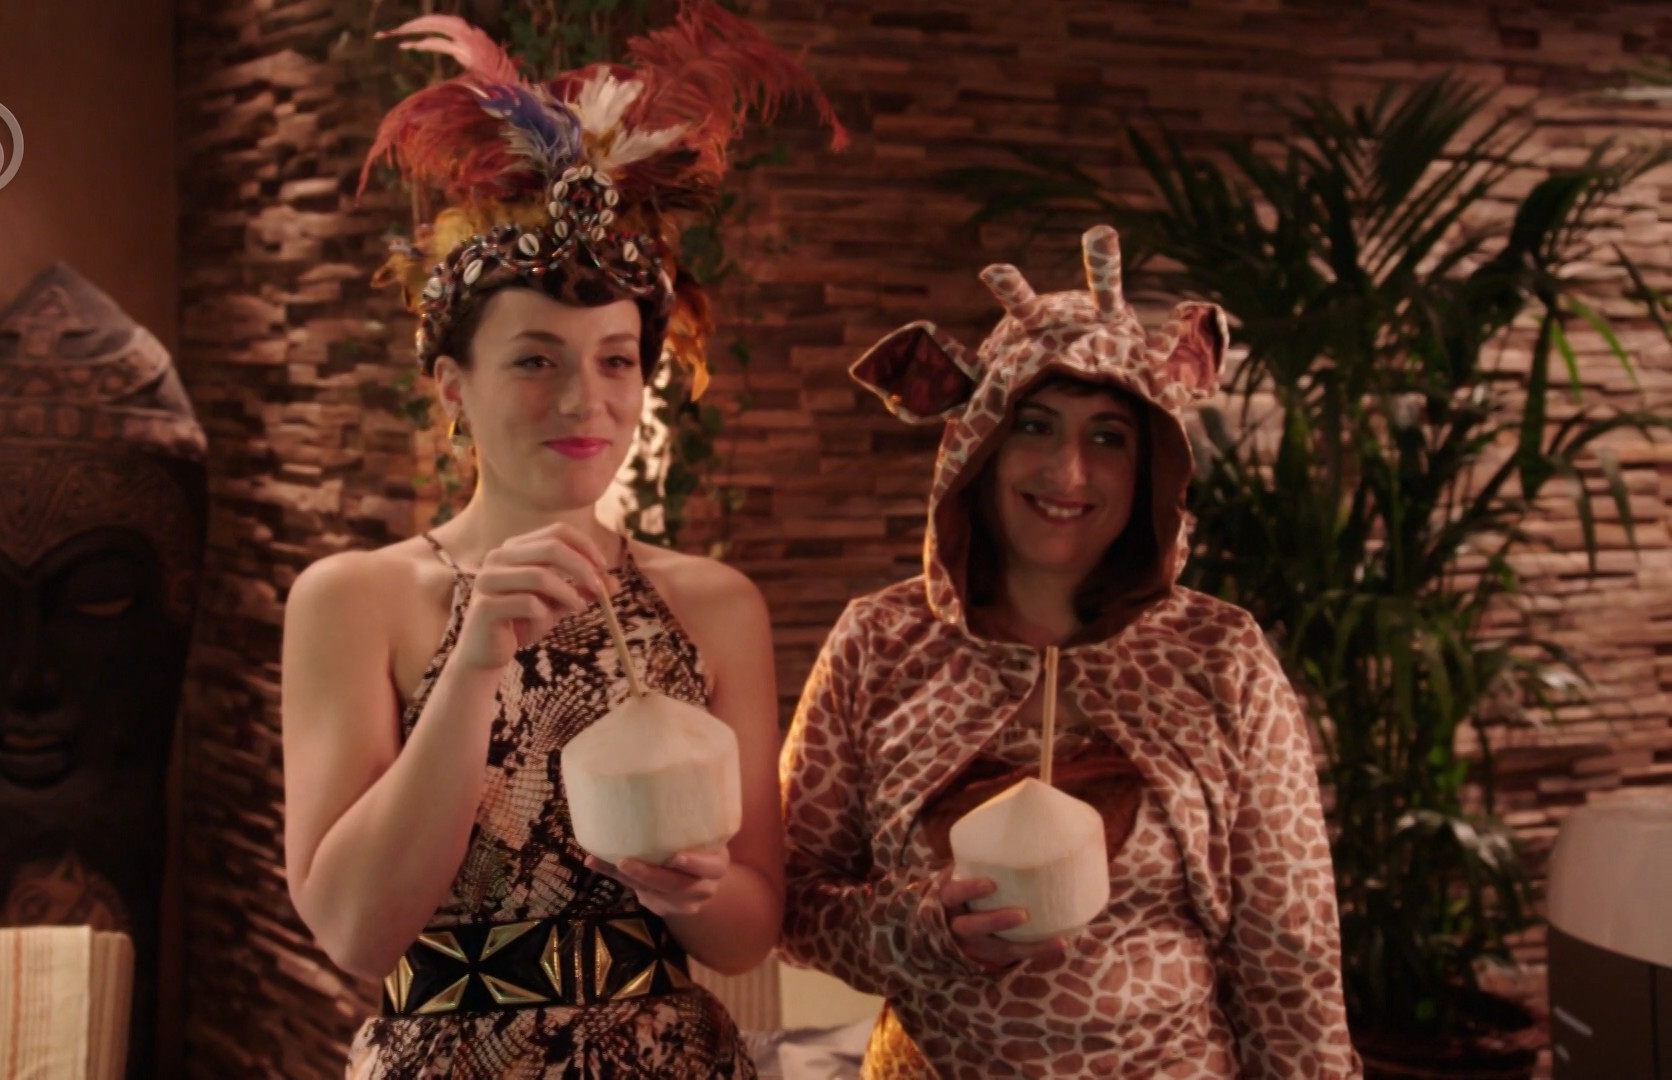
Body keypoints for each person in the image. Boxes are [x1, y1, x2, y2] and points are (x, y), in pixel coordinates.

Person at [280, 7, 843, 1077]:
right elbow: (354, 928)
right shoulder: (355, 599)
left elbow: (746, 934)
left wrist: (696, 891)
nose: (585, 400)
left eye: (616, 360)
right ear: (454, 387)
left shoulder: (713, 604)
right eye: (535, 360)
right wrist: (473, 664)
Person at [778, 227, 1361, 1078]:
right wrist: (918, 929)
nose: (1069, 473)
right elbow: (792, 899)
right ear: (978, 443)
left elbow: (1291, 962)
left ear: (1152, 462)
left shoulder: (1221, 657)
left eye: (1108, 437)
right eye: (1035, 426)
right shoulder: (879, 642)